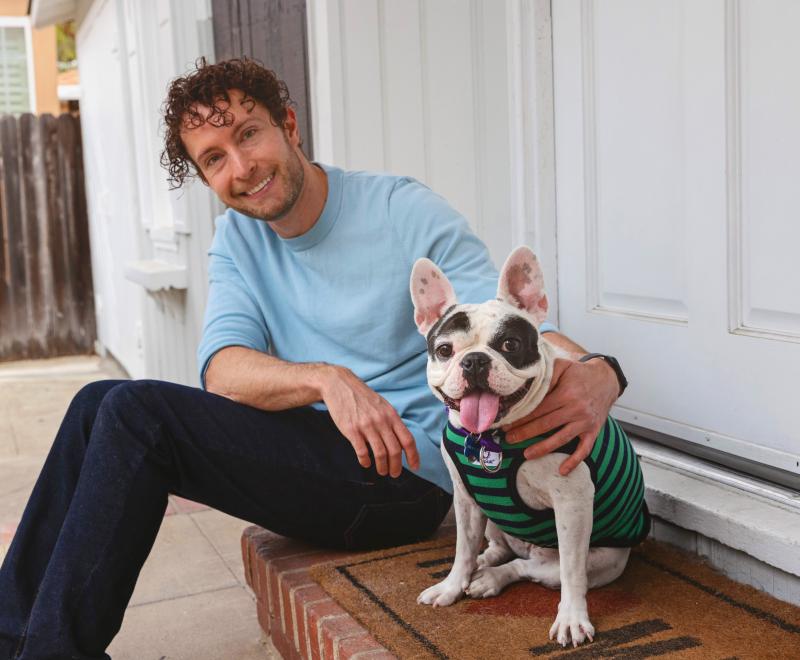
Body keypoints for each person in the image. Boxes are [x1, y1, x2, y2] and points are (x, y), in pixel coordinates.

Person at [0, 58, 622, 660]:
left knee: (136, 413)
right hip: (321, 450)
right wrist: (326, 379)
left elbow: (509, 324)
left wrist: (600, 372)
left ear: (289, 126)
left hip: (406, 476)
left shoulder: (399, 209)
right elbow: (222, 368)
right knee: (97, 403)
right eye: (214, 158)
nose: (241, 166)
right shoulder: (238, 240)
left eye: (249, 134)